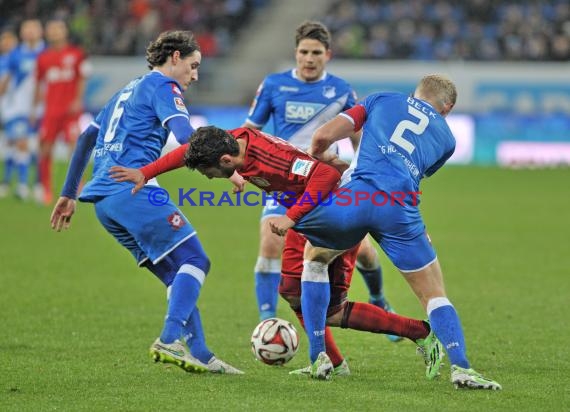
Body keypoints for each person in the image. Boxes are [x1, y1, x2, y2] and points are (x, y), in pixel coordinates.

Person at [109, 126, 445, 380]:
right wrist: (146, 173)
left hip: (338, 214)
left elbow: (327, 174)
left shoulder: (271, 158)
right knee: (292, 292)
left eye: (210, 172)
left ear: (226, 160)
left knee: (331, 310)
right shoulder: (232, 139)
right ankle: (332, 363)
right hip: (308, 216)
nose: (210, 179)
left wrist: (290, 216)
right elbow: (188, 151)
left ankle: (422, 333)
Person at [268, 74, 502, 388]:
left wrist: (321, 155)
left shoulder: (382, 99)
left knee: (315, 257)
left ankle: (319, 358)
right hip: (399, 210)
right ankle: (462, 368)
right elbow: (415, 174)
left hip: (356, 197)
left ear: (415, 93)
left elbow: (324, 135)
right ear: (447, 109)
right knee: (433, 294)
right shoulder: (447, 139)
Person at [49, 30, 243, 375]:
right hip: (133, 190)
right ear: (175, 58)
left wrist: (68, 193)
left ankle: (200, 352)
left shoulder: (128, 88)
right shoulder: (163, 87)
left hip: (105, 203)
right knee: (196, 259)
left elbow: (85, 138)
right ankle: (170, 339)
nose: (195, 75)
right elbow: (187, 138)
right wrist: (229, 170)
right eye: (193, 65)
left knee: (177, 276)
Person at [242, 21, 398, 337]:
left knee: (364, 250)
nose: (308, 59)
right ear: (296, 53)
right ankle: (266, 319)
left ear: (327, 54)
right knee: (270, 243)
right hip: (283, 182)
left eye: (315, 53)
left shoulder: (341, 90)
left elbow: (358, 138)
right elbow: (250, 132)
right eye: (303, 52)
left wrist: (360, 172)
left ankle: (379, 299)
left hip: (326, 182)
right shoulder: (273, 85)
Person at [33, 19, 90, 205]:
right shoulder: (43, 58)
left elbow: (82, 78)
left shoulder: (76, 54)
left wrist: (77, 100)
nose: (54, 33)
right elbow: (39, 84)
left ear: (65, 32)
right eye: (51, 30)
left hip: (70, 111)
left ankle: (77, 184)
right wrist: (35, 107)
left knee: (74, 146)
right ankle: (46, 188)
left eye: (58, 29)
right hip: (51, 110)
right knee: (45, 148)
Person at [0, 19, 45, 200]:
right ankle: (22, 185)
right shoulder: (16, 54)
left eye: (34, 28)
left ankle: (38, 184)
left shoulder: (46, 53)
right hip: (19, 107)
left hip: (42, 108)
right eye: (27, 29)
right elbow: (7, 79)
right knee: (20, 143)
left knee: (36, 147)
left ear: (41, 31)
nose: (30, 32)